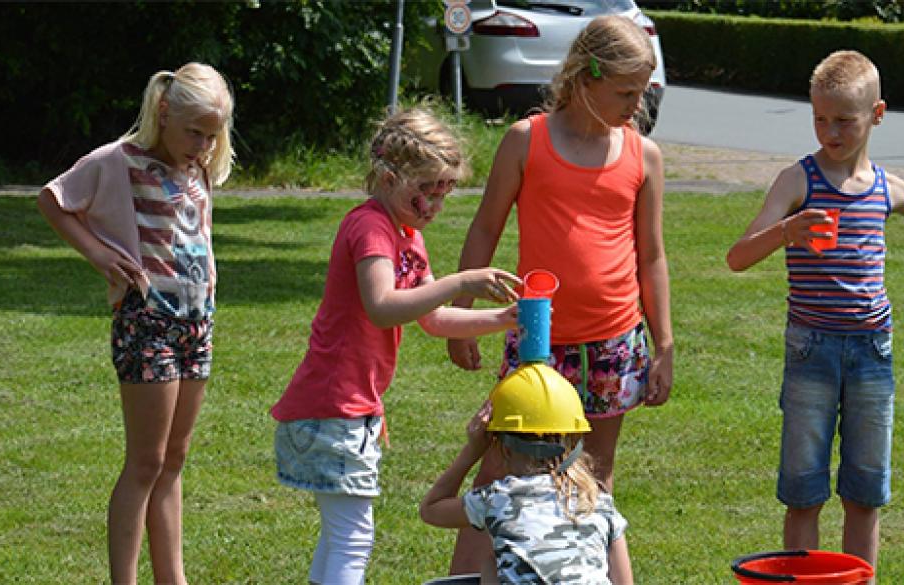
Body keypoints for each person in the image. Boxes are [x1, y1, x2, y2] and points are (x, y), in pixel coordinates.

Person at [725, 50, 904, 577]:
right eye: (820, 118)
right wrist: (785, 232)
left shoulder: (888, 188)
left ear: (877, 114)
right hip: (811, 348)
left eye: (844, 119)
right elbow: (738, 256)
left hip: (871, 352)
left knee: (865, 491)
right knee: (803, 489)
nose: (829, 131)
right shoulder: (798, 180)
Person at [445, 14, 673, 573]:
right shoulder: (528, 140)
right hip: (537, 346)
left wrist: (663, 344)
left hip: (615, 342)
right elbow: (484, 227)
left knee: (592, 477)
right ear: (585, 77)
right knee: (499, 471)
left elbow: (652, 255)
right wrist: (460, 317)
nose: (635, 104)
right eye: (625, 92)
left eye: (642, 92)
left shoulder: (643, 155)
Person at [270, 107, 524, 585]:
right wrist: (462, 280)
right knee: (352, 534)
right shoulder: (370, 228)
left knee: (341, 532)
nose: (432, 208)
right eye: (424, 193)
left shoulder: (408, 236)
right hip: (332, 405)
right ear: (388, 178)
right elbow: (383, 305)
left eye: (443, 195)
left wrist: (503, 320)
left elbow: (430, 318)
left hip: (350, 406)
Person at [37, 62, 235, 585]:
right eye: (194, 132)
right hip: (146, 322)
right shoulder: (119, 162)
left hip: (197, 324)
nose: (202, 145)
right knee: (145, 462)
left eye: (212, 136)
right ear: (163, 111)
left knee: (174, 459)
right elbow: (54, 200)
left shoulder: (198, 171)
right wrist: (100, 255)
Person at [420, 363, 633, 584]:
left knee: (490, 565)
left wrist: (472, 450)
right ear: (574, 438)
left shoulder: (500, 499)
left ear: (503, 447)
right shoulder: (598, 502)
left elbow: (430, 509)